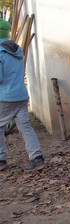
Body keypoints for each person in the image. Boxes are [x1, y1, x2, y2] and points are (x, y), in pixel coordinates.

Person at [0, 39, 46, 172]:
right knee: (25, 127)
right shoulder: (17, 53)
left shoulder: (1, 55)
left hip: (5, 97)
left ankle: (1, 160)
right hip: (21, 95)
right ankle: (37, 158)